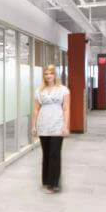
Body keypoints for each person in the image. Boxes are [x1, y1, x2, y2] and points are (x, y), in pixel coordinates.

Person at [32, 64, 70, 192]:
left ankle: (54, 183)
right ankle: (46, 180)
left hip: (57, 124)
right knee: (46, 153)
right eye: (46, 74)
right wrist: (34, 125)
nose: (49, 76)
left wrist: (66, 126)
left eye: (51, 73)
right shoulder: (39, 91)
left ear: (55, 75)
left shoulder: (63, 90)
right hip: (43, 124)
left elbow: (66, 108)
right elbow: (36, 109)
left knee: (55, 153)